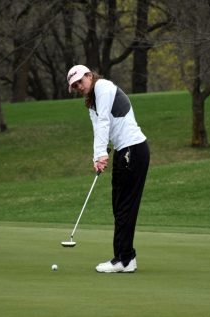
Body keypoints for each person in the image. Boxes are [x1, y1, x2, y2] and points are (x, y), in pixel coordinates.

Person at [67, 65, 150, 273]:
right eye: (74, 85)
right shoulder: (92, 102)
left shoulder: (103, 87)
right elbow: (98, 129)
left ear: (89, 75)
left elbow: (104, 121)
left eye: (80, 81)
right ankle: (127, 258)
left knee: (124, 207)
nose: (78, 86)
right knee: (118, 206)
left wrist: (102, 154)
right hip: (124, 151)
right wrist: (98, 157)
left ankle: (122, 260)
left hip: (133, 149)